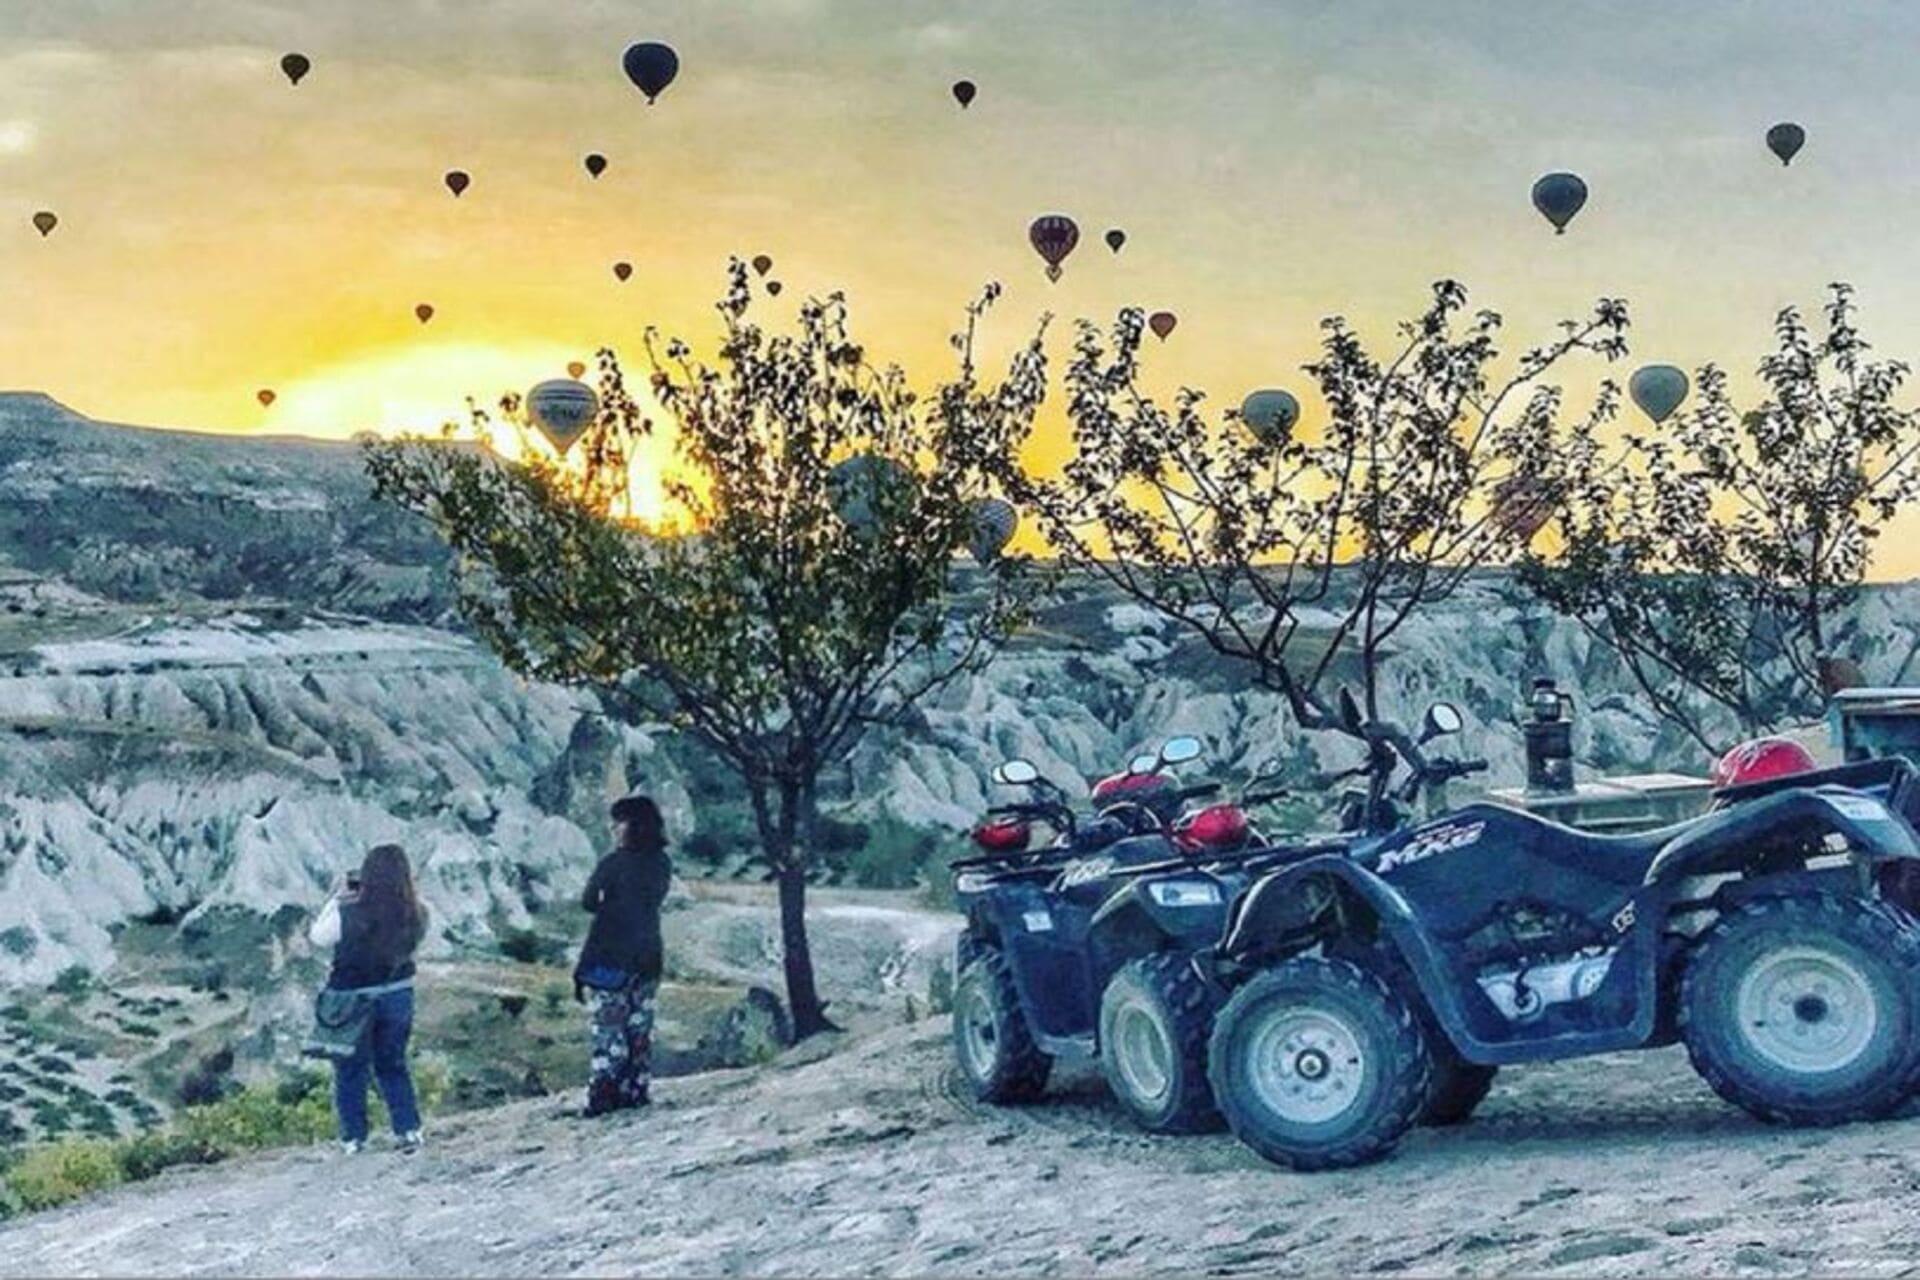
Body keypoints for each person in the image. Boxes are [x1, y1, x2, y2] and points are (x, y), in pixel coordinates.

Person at [308, 844, 429, 1154]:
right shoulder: (417, 911)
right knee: (393, 1064)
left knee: (349, 1069)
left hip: (351, 999)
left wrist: (337, 898)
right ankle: (409, 1129)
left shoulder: (347, 911)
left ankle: (354, 1137)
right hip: (397, 994)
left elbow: (318, 937)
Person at [573, 794, 673, 1117]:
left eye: (617, 821)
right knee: (639, 1027)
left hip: (612, 953)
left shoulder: (614, 863)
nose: (613, 828)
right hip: (648, 954)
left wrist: (610, 905)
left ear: (629, 824)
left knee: (609, 1027)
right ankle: (636, 1089)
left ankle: (604, 1093)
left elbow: (588, 901)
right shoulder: (661, 863)